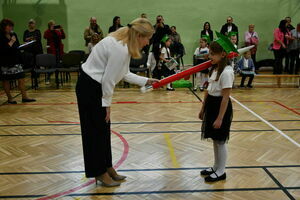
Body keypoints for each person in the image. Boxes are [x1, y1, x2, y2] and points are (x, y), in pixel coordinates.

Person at [76, 18, 158, 187]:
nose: (148, 42)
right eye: (147, 38)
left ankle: (107, 166)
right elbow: (108, 80)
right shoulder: (119, 47)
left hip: (96, 86)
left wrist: (146, 81)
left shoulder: (124, 44)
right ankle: (98, 172)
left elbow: (124, 73)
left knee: (104, 130)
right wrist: (106, 105)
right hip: (90, 87)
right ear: (139, 35)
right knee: (95, 131)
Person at [199, 33, 235, 182]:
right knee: (214, 139)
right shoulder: (214, 69)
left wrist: (220, 118)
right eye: (209, 53)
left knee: (220, 141)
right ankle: (215, 166)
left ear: (223, 54)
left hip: (221, 107)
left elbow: (225, 97)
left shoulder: (227, 72)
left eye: (213, 54)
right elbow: (208, 90)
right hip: (211, 105)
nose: (210, 56)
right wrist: (202, 109)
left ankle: (221, 171)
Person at [0, 18, 36, 104]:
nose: (11, 28)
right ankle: (10, 98)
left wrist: (24, 45)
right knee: (6, 80)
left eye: (12, 26)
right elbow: (3, 49)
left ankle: (25, 97)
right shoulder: (0, 35)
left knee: (21, 78)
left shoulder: (13, 34)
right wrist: (12, 41)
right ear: (4, 27)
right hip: (5, 61)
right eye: (10, 26)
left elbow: (17, 46)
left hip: (16, 60)